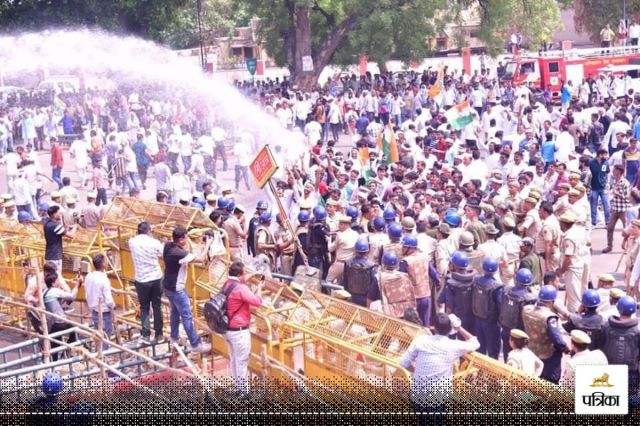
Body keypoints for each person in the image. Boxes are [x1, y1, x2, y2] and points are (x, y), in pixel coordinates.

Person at [399, 313, 480, 415]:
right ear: (451, 329)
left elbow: (403, 362)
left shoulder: (421, 340)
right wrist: (459, 328)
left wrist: (417, 370)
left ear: (434, 327)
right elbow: (475, 343)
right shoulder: (453, 345)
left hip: (418, 396)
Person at [162, 225, 212, 353]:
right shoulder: (178, 253)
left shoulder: (168, 246)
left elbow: (187, 252)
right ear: (182, 239)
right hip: (176, 289)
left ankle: (174, 336)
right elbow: (201, 259)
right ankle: (196, 344)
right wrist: (208, 244)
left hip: (168, 286)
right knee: (187, 316)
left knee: (175, 312)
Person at [221, 261, 264, 398]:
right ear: (240, 274)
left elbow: (242, 279)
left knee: (234, 360)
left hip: (227, 329)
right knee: (241, 361)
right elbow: (257, 302)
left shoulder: (227, 284)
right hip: (239, 330)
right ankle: (244, 392)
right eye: (244, 273)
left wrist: (254, 274)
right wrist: (260, 288)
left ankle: (238, 388)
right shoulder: (240, 288)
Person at [522, 285, 567, 383]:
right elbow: (557, 340)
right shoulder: (550, 317)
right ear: (551, 302)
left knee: (533, 379)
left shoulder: (526, 309)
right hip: (547, 354)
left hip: (531, 350)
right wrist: (565, 347)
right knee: (550, 381)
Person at [128, 221, 165, 344]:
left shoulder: (132, 242)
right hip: (156, 278)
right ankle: (159, 334)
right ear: (149, 231)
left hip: (141, 280)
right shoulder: (154, 242)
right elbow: (162, 252)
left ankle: (145, 335)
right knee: (157, 306)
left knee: (144, 307)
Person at [499, 268, 538, 361]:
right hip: (519, 333)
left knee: (507, 354)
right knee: (518, 356)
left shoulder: (506, 290)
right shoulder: (530, 298)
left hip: (505, 328)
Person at [42, 272, 80, 361]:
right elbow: (71, 296)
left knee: (55, 344)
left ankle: (55, 363)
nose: (59, 282)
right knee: (75, 331)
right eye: (57, 280)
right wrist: (77, 285)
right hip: (61, 322)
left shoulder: (45, 292)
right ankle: (66, 351)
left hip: (52, 323)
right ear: (53, 283)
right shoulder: (55, 291)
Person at [471, 258, 504, 359]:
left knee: (480, 349)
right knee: (493, 349)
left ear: (483, 268)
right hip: (491, 322)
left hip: (477, 318)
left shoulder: (476, 280)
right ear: (496, 270)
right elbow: (500, 305)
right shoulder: (497, 286)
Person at [439, 251, 476, 332]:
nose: (449, 264)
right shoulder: (474, 279)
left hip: (457, 318)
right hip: (473, 317)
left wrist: (447, 322)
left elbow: (448, 305)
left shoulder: (450, 282)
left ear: (454, 266)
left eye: (450, 263)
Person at [84, 254, 116, 346]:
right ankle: (104, 356)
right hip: (104, 313)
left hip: (94, 311)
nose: (107, 262)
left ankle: (101, 354)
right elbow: (109, 300)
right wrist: (113, 306)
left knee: (99, 335)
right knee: (105, 337)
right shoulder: (103, 279)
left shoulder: (89, 276)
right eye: (106, 261)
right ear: (103, 264)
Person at [400, 235, 432, 326]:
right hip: (425, 295)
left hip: (412, 298)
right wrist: (437, 282)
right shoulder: (425, 257)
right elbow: (433, 273)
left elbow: (400, 280)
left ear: (411, 248)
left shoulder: (406, 261)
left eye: (404, 246)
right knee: (426, 323)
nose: (402, 248)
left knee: (412, 324)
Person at [342, 239, 377, 307]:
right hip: (365, 298)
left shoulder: (348, 262)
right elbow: (373, 285)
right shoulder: (371, 265)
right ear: (367, 251)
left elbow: (345, 280)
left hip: (350, 295)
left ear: (355, 250)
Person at [43, 205, 77, 273]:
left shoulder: (47, 224)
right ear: (54, 214)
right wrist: (75, 225)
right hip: (55, 257)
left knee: (49, 277)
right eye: (59, 213)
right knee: (56, 277)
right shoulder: (55, 226)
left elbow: (57, 233)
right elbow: (71, 235)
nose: (60, 214)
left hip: (48, 256)